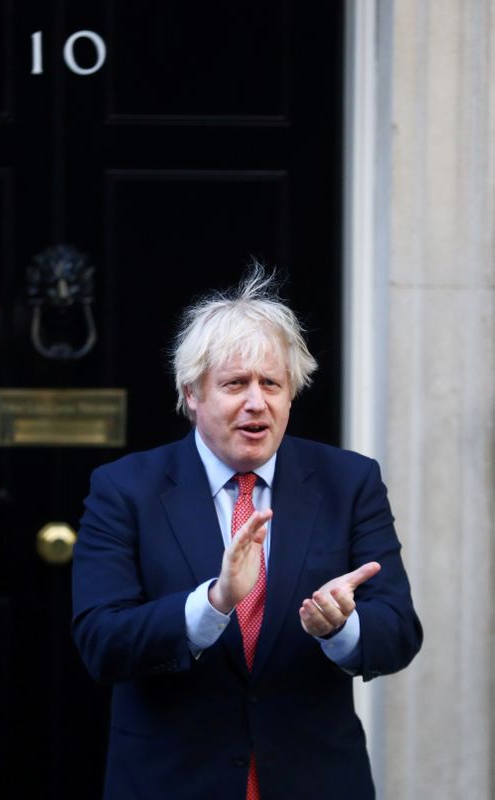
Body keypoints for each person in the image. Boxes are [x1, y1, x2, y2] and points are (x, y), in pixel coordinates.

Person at [72, 266, 423, 800]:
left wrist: (341, 629)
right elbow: (102, 642)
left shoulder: (350, 482)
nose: (256, 402)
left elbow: (398, 632)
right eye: (235, 384)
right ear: (192, 394)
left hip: (315, 778)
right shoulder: (124, 489)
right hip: (172, 780)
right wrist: (211, 604)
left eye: (272, 384)